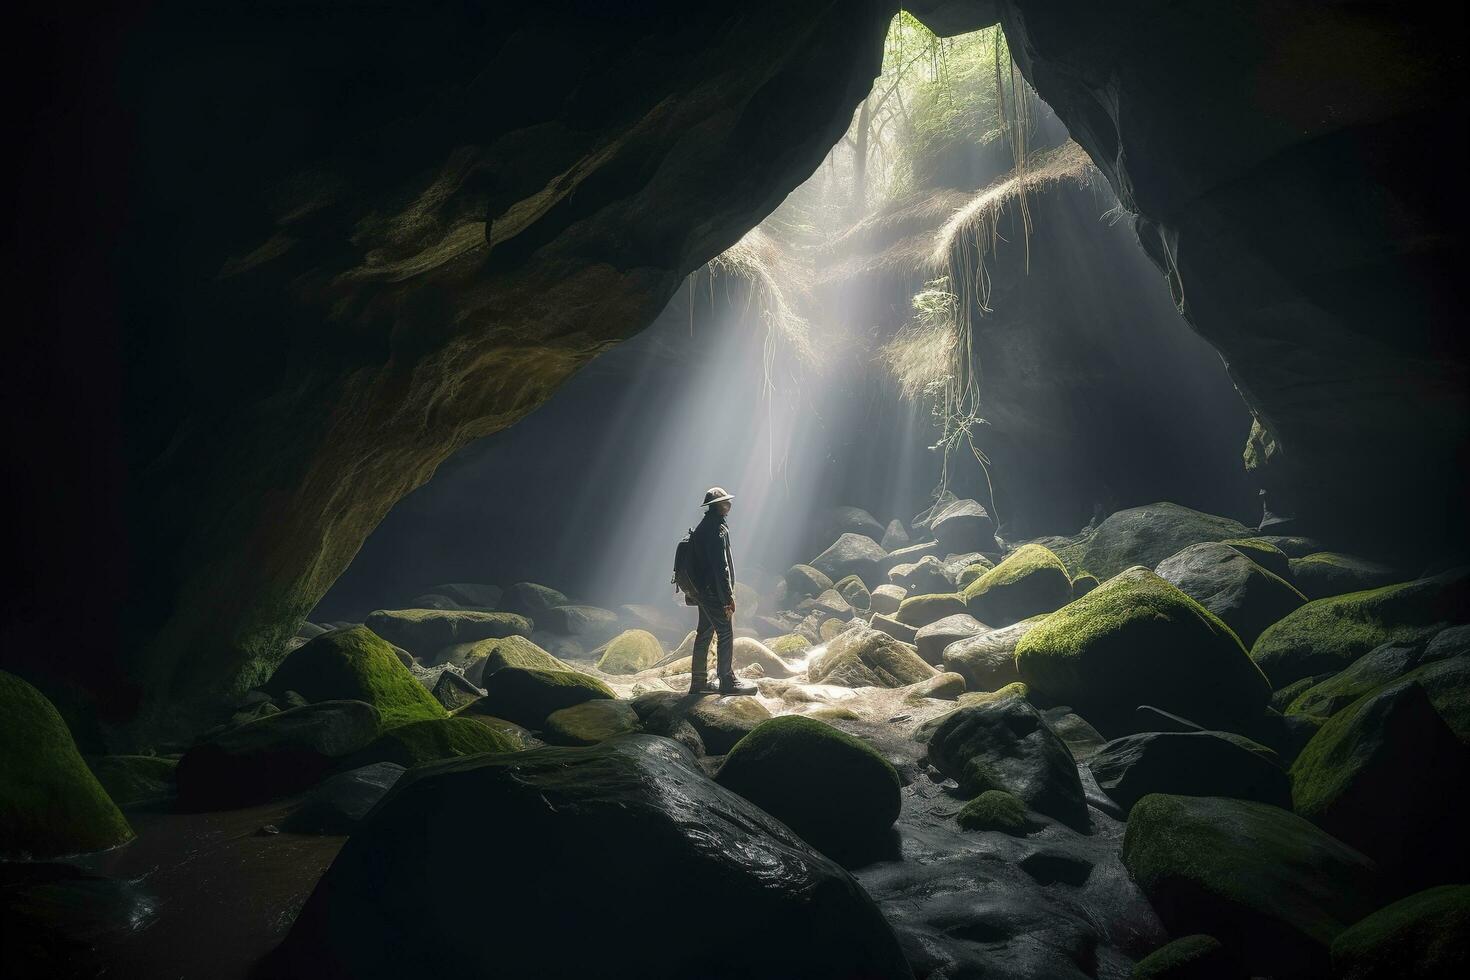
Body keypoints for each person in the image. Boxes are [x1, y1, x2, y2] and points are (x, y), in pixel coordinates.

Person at [689, 487, 757, 696]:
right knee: (725, 632)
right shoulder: (716, 530)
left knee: (704, 633)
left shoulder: (704, 526)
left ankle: (698, 682)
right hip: (713, 592)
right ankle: (727, 680)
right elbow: (721, 568)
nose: (729, 504)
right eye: (725, 502)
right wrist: (728, 598)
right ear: (716, 506)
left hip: (701, 591)